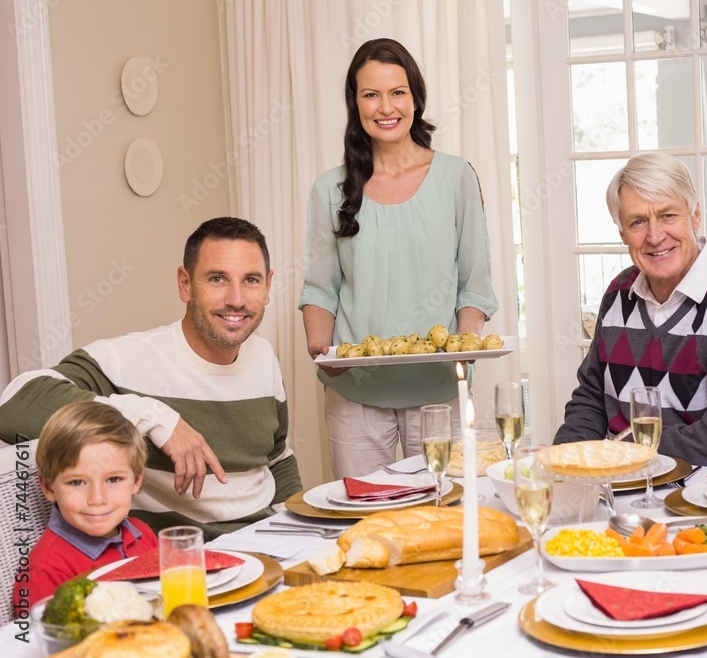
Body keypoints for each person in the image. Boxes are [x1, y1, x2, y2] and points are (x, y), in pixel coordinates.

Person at [0, 217, 301, 539]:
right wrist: (156, 419)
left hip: (267, 543)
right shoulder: (125, 359)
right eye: (217, 279)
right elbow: (15, 406)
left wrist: (297, 528)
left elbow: (278, 457)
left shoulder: (263, 356)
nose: (236, 299)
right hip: (179, 561)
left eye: (251, 280)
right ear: (185, 284)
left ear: (268, 286)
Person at [299, 38, 498, 479]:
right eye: (370, 94)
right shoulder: (329, 190)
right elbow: (319, 286)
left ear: (415, 98)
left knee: (444, 512)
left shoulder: (455, 177)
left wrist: (465, 353)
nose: (385, 107)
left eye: (397, 92)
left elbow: (475, 283)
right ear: (355, 103)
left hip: (439, 389)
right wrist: (321, 349)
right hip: (355, 391)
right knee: (366, 520)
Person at [553, 152, 707, 466]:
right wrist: (562, 465)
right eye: (638, 222)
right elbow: (590, 400)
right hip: (620, 490)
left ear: (695, 216)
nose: (655, 237)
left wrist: (624, 450)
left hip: (702, 493)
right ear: (622, 233)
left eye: (668, 215)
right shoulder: (619, 292)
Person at [14, 402, 156, 607]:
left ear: (135, 481)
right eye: (77, 482)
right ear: (49, 487)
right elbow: (46, 637)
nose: (97, 499)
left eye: (113, 479)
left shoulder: (142, 534)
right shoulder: (45, 571)